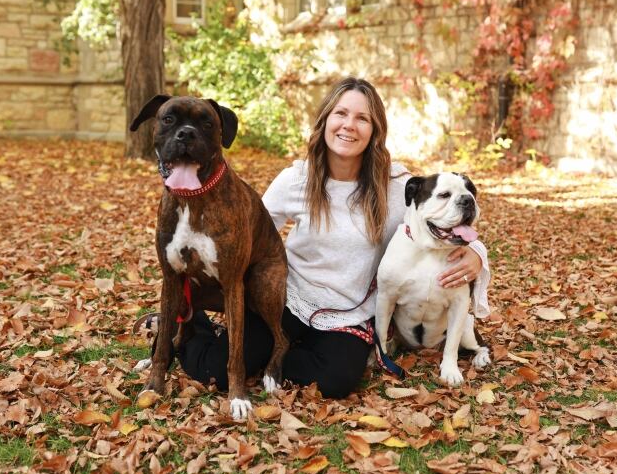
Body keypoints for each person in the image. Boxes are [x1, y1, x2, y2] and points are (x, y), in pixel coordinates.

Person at [144, 77, 491, 399]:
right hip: (286, 301)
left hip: (347, 314)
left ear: (375, 130)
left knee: (337, 380)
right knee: (214, 371)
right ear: (326, 120)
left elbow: (444, 214)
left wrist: (476, 252)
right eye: (340, 113)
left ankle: (275, 355)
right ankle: (195, 326)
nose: (349, 125)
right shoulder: (297, 179)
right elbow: (247, 232)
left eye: (362, 118)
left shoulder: (397, 187)